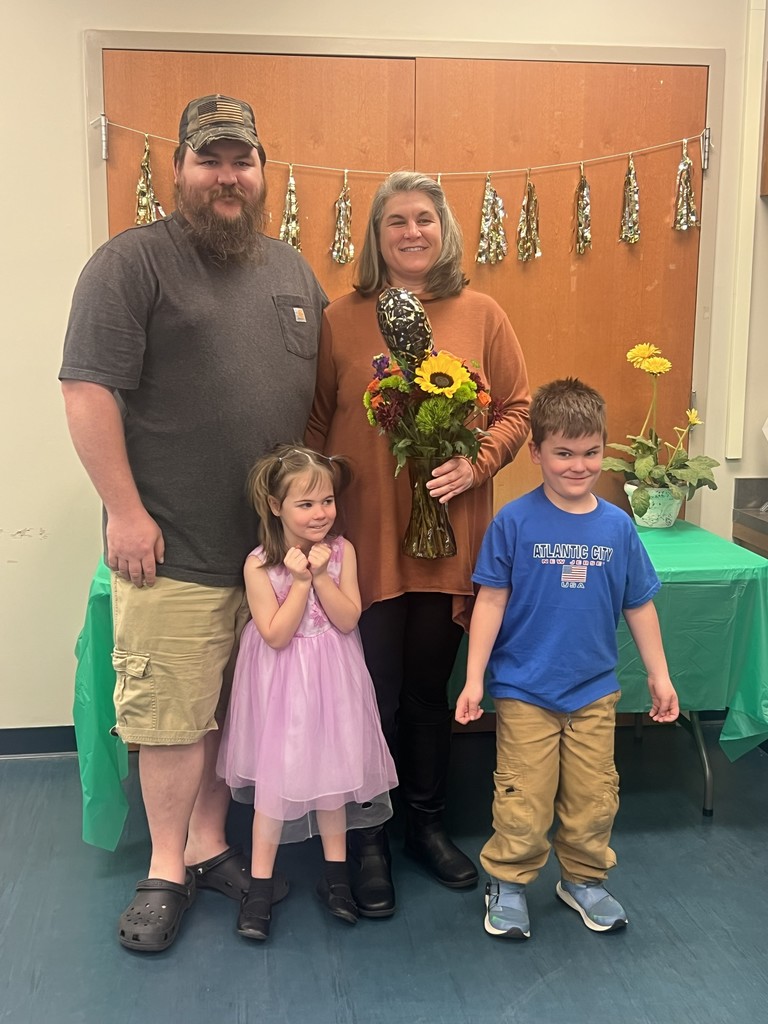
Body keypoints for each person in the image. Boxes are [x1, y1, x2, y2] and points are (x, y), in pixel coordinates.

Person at [59, 94, 327, 952]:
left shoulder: (293, 272)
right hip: (171, 548)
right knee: (173, 719)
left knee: (232, 713)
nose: (227, 176)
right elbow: (86, 390)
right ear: (178, 168)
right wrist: (125, 512)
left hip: (269, 559)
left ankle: (211, 844)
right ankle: (166, 867)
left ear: (262, 170)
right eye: (209, 159)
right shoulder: (131, 264)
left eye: (242, 160)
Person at [305, 171, 531, 917]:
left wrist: (479, 463)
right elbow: (314, 424)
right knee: (370, 694)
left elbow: (518, 407)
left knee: (429, 693)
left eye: (424, 219)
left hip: (447, 540)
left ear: (445, 230)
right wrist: (306, 518)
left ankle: (426, 827)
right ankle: (369, 839)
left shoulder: (482, 313)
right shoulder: (339, 319)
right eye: (395, 220)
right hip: (365, 541)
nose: (411, 232)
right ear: (376, 236)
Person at [455, 377, 679, 939]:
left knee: (593, 797)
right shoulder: (513, 522)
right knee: (523, 799)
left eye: (591, 452)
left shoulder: (618, 527)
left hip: (593, 691)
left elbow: (639, 605)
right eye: (563, 453)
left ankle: (582, 879)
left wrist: (660, 675)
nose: (579, 466)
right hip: (525, 690)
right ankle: (508, 882)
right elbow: (490, 602)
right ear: (535, 453)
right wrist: (474, 679)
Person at [216, 444, 398, 941]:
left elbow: (348, 618)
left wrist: (320, 575)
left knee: (332, 777)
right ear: (276, 506)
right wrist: (299, 582)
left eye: (328, 501)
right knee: (276, 784)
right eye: (306, 504)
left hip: (333, 680)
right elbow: (275, 635)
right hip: (281, 688)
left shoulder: (342, 552)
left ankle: (336, 878)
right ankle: (259, 887)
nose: (321, 513)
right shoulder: (259, 564)